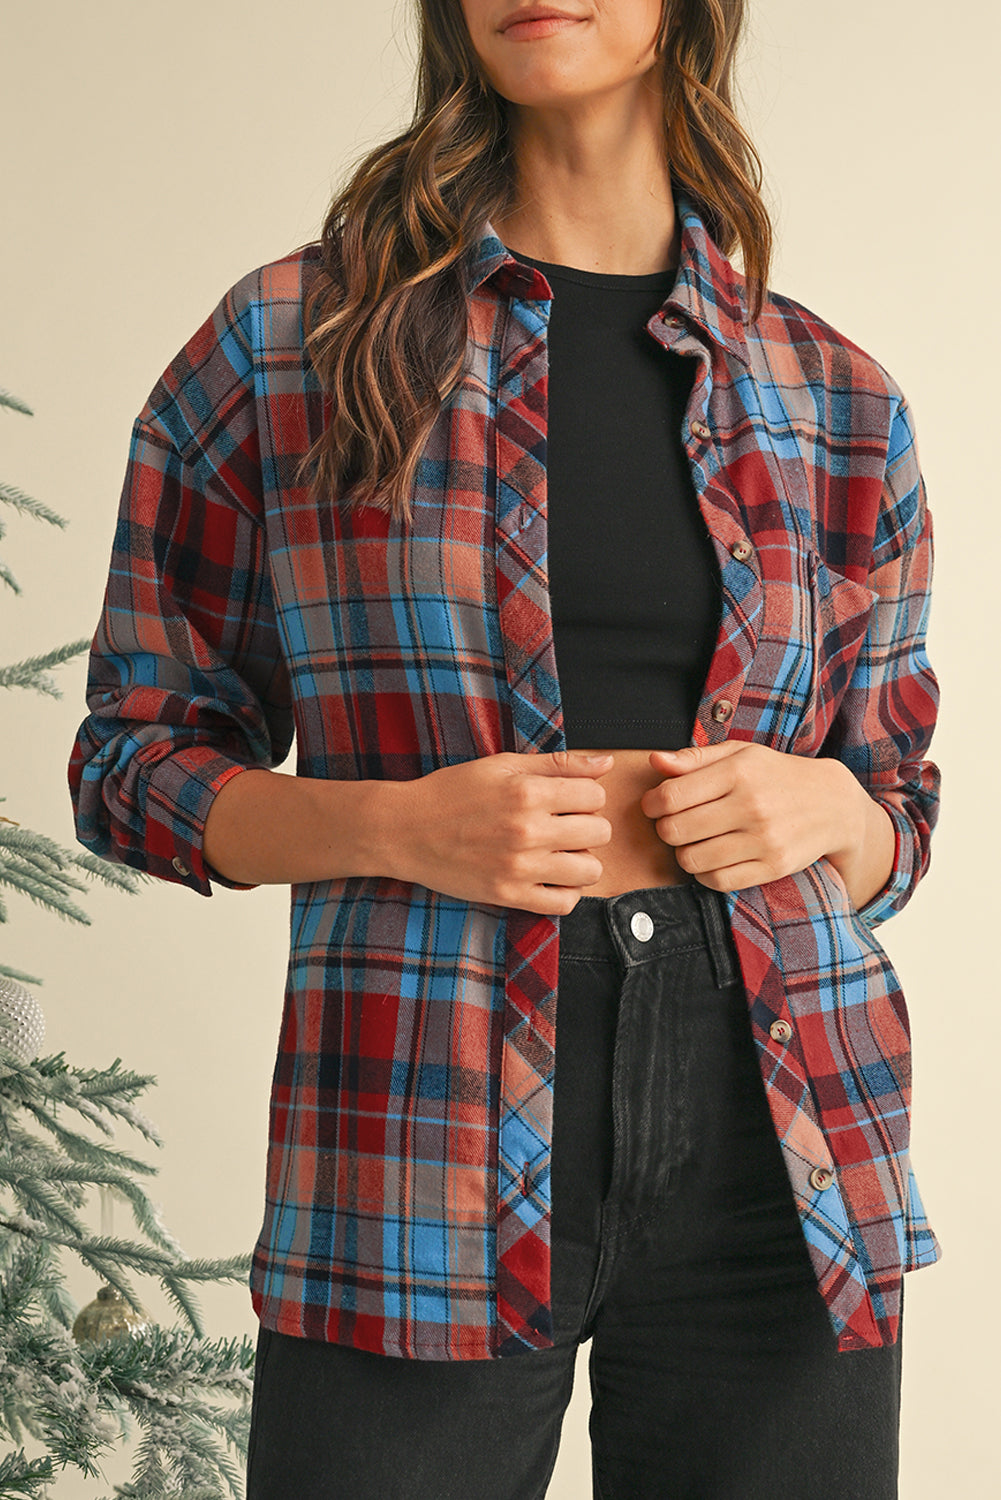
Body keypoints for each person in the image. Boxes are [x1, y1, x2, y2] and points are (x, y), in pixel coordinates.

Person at [68, 1, 940, 1495]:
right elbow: (131, 763)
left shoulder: (832, 396)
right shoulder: (296, 341)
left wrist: (825, 809)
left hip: (784, 1133)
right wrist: (392, 828)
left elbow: (897, 814)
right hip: (418, 1111)